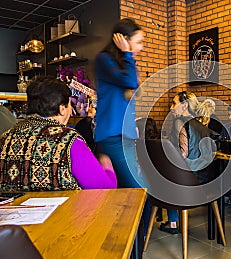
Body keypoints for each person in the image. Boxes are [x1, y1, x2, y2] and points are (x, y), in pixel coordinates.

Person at [0, 76, 117, 191]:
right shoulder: (68, 140)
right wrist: (107, 166)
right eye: (70, 104)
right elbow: (104, 189)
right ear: (62, 109)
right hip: (62, 210)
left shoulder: (5, 137)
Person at [94, 18, 143, 188]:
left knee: (129, 190)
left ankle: (170, 216)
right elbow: (130, 82)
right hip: (112, 135)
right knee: (137, 189)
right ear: (123, 40)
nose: (141, 47)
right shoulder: (103, 60)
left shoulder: (123, 63)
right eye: (138, 42)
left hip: (125, 135)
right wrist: (128, 53)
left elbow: (130, 94)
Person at [160, 91, 214, 234]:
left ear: (184, 106)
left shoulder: (179, 122)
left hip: (188, 182)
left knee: (163, 175)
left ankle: (172, 223)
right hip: (203, 180)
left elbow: (182, 153)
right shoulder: (201, 125)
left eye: (174, 103)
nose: (171, 108)